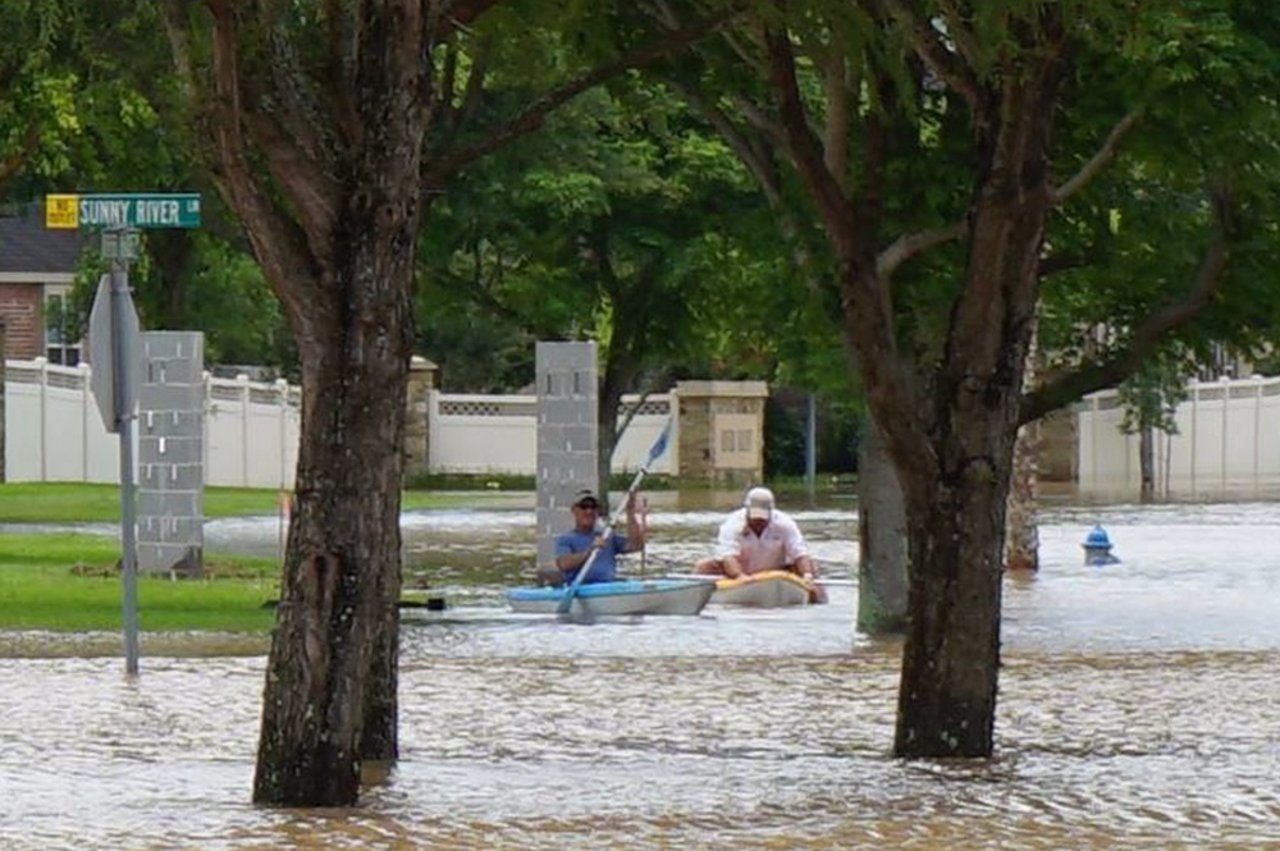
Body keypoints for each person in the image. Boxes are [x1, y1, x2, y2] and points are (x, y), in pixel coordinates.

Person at [694, 486, 825, 602]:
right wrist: (739, 576)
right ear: (747, 509)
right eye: (754, 516)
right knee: (703, 566)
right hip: (739, 571)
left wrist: (807, 576)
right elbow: (728, 556)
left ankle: (818, 601)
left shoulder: (785, 524)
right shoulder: (732, 525)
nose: (758, 521)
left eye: (762, 518)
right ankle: (699, 598)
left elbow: (799, 553)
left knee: (811, 569)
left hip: (776, 568)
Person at [539, 488, 645, 587]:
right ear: (574, 510)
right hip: (581, 589)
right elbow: (564, 564)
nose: (589, 511)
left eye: (593, 507)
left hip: (607, 588)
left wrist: (630, 512)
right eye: (584, 506)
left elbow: (637, 545)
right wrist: (590, 551)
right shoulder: (564, 539)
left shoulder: (607, 536)